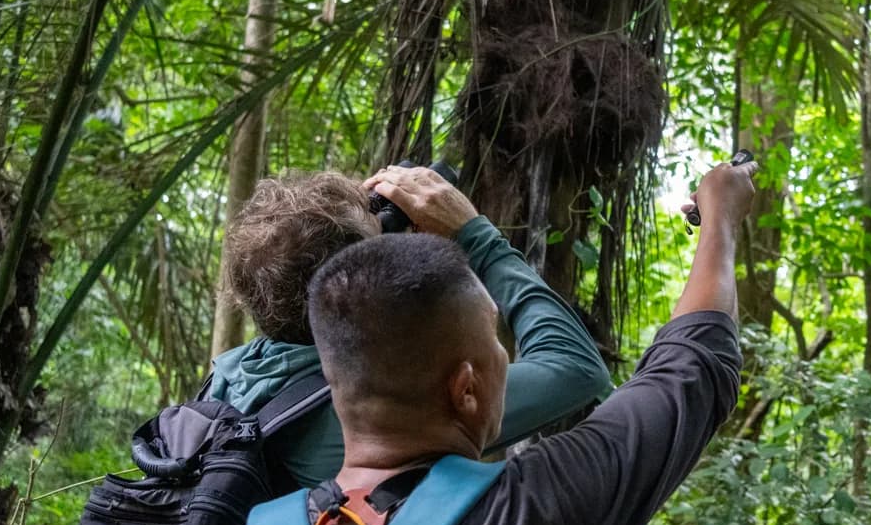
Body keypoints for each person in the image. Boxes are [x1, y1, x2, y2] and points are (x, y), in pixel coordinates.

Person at [150, 157, 756, 525]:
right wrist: (721, 219)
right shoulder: (536, 516)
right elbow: (693, 365)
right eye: (495, 340)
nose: (501, 353)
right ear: (467, 389)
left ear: (336, 382)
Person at [209, 165, 612, 487]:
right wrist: (475, 235)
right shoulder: (371, 413)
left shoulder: (230, 377)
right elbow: (575, 367)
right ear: (358, 287)